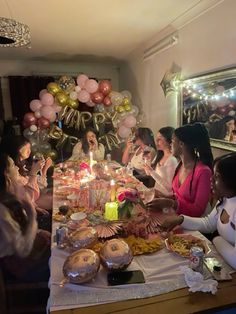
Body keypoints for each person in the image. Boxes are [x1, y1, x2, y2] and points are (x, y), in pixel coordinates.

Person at [161, 152, 236, 270]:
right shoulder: (226, 199)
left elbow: (235, 259)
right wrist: (180, 219)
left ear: (231, 180)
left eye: (217, 176)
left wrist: (216, 238)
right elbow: (209, 223)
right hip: (222, 259)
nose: (211, 179)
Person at [0, 154, 50, 282]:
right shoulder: (2, 211)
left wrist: (38, 232)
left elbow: (17, 230)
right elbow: (23, 251)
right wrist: (32, 216)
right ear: (6, 174)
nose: (17, 168)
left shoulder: (8, 194)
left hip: (26, 254)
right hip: (20, 268)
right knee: (62, 259)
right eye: (12, 165)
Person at [147, 123, 213, 217]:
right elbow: (179, 196)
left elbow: (198, 210)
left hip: (196, 225)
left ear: (181, 144)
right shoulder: (181, 165)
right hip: (178, 217)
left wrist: (171, 203)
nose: (170, 144)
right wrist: (164, 196)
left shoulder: (203, 172)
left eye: (172, 141)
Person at [144, 127, 178, 196]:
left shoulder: (172, 160)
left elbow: (169, 188)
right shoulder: (159, 155)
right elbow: (148, 173)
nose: (156, 140)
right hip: (156, 192)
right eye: (156, 138)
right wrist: (147, 161)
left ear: (169, 141)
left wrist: (152, 172)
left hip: (164, 197)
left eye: (159, 139)